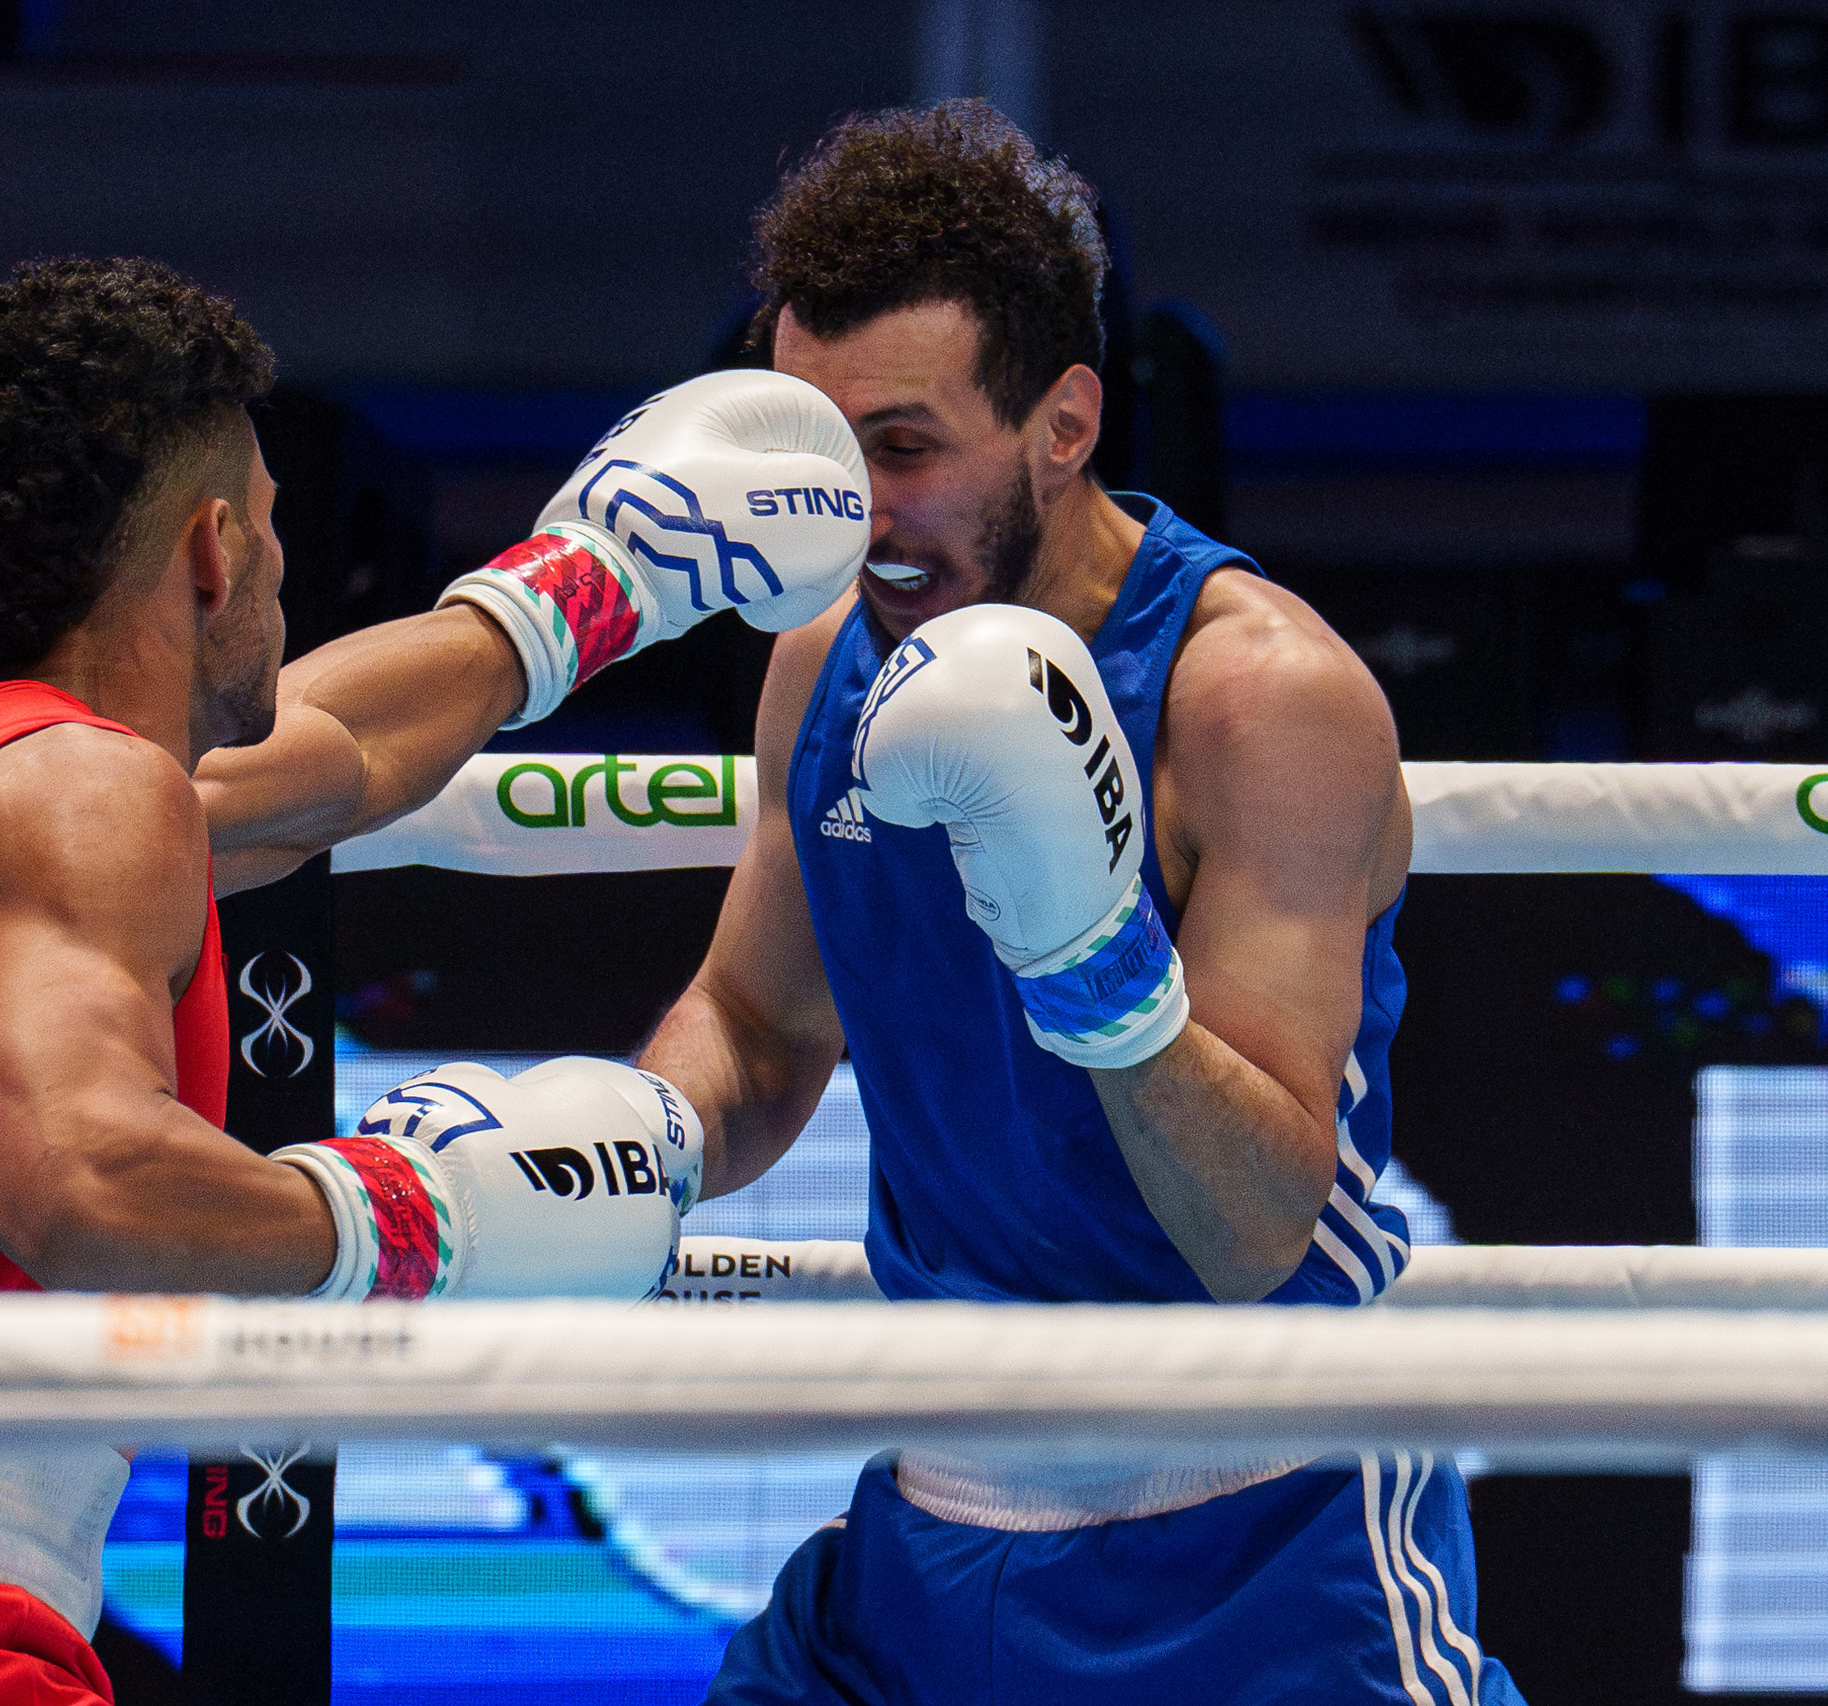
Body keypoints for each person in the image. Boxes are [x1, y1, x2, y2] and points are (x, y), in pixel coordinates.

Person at [0, 256, 869, 1704]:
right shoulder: (83, 797)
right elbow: (77, 1180)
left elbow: (335, 757)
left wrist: (593, 586)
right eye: (276, 530)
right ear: (215, 551)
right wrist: (411, 1219)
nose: (286, 570)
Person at [637, 103, 1526, 1703]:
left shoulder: (1257, 698)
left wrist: (1092, 957)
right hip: (929, 1526)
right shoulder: (816, 658)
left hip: (1258, 1546)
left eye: (901, 448)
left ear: (1064, 422)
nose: (855, 511)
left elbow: (1256, 1227)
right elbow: (760, 1028)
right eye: (816, 453)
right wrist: (620, 1151)